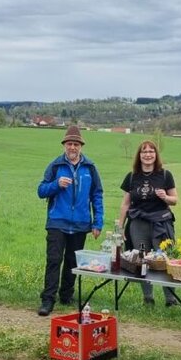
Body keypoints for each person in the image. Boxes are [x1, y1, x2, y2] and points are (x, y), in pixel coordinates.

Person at [37, 124, 103, 316]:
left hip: (81, 223)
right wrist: (56, 185)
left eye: (76, 144)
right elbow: (41, 191)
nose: (72, 147)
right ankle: (48, 299)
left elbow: (97, 194)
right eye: (69, 144)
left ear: (81, 146)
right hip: (57, 221)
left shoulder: (90, 168)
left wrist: (97, 222)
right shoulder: (55, 166)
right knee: (54, 260)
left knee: (73, 261)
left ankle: (66, 295)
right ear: (64, 145)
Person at [116, 140, 178, 307]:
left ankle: (171, 299)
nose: (148, 154)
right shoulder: (131, 177)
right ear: (139, 155)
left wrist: (165, 197)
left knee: (165, 259)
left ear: (156, 155)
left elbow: (175, 200)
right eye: (144, 151)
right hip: (138, 225)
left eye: (151, 151)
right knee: (142, 260)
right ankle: (148, 298)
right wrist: (120, 227)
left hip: (161, 224)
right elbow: (125, 204)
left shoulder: (165, 175)